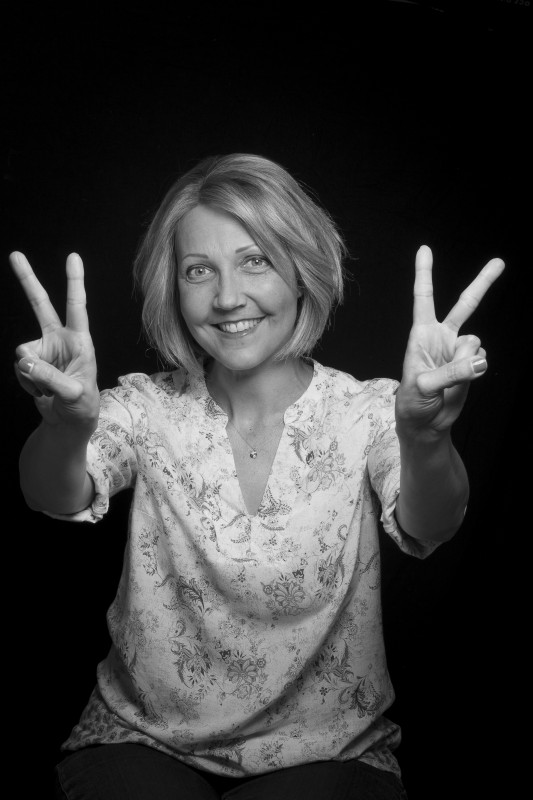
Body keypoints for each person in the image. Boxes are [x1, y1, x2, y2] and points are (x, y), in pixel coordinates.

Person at [10, 153, 504, 800]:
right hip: (142, 740)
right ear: (173, 289)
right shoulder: (147, 406)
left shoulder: (367, 412)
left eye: (255, 261)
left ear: (301, 272)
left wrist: (426, 436)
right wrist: (64, 428)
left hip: (328, 752)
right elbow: (52, 494)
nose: (226, 297)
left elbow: (431, 522)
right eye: (198, 270)